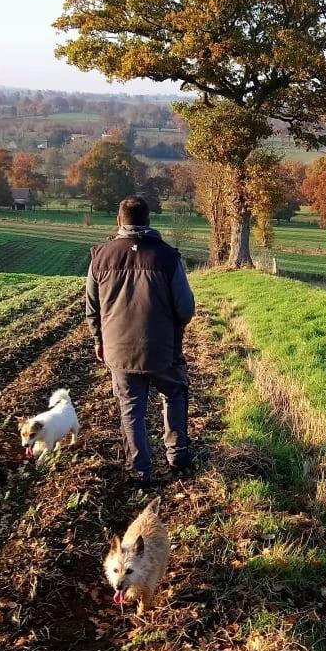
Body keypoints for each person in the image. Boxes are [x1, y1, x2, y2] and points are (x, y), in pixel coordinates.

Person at [85, 195, 200, 487]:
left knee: (130, 407)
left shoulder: (101, 256)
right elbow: (186, 308)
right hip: (163, 349)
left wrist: (100, 340)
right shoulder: (167, 257)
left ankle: (140, 471)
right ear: (149, 221)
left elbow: (91, 308)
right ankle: (178, 457)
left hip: (118, 351)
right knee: (174, 395)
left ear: (119, 221)